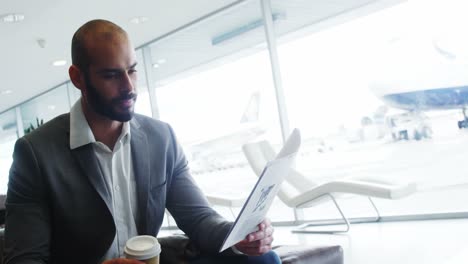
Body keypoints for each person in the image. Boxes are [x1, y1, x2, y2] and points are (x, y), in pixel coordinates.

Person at [4, 19, 280, 264]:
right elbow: (24, 259)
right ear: (78, 78)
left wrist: (241, 236)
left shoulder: (161, 138)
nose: (129, 87)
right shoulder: (36, 153)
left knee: (264, 258)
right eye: (111, 75)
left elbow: (199, 220)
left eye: (132, 71)